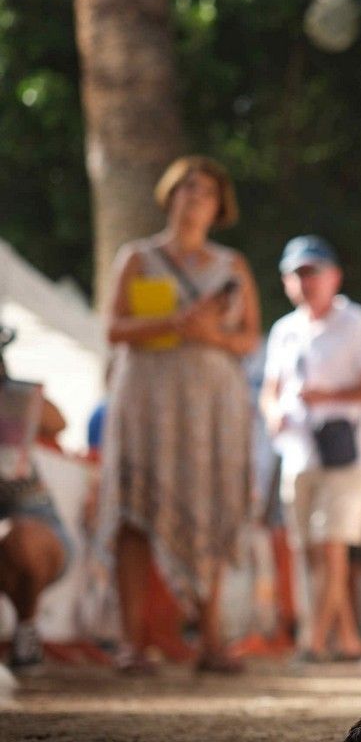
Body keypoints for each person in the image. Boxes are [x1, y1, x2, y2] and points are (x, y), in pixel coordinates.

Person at [100, 155, 260, 674]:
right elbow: (114, 329)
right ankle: (132, 641)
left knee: (210, 505)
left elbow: (249, 339)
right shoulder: (137, 256)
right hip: (147, 396)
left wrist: (210, 335)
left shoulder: (232, 265)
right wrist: (174, 321)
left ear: (219, 206)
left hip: (211, 404)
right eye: (188, 187)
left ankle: (211, 639)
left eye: (208, 191)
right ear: (170, 194)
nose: (196, 197)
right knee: (135, 509)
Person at [261, 236, 361, 663]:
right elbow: (270, 390)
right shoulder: (284, 331)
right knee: (308, 549)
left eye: (313, 272)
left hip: (346, 452)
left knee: (331, 544)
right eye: (298, 274)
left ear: (333, 276)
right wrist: (271, 416)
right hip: (297, 453)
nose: (307, 281)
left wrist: (330, 395)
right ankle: (349, 639)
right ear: (286, 281)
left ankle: (312, 641)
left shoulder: (357, 323)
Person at [0, 330, 71, 672]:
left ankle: (26, 629)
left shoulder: (15, 399)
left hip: (31, 524)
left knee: (20, 537)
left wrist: (9, 393)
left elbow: (58, 421)